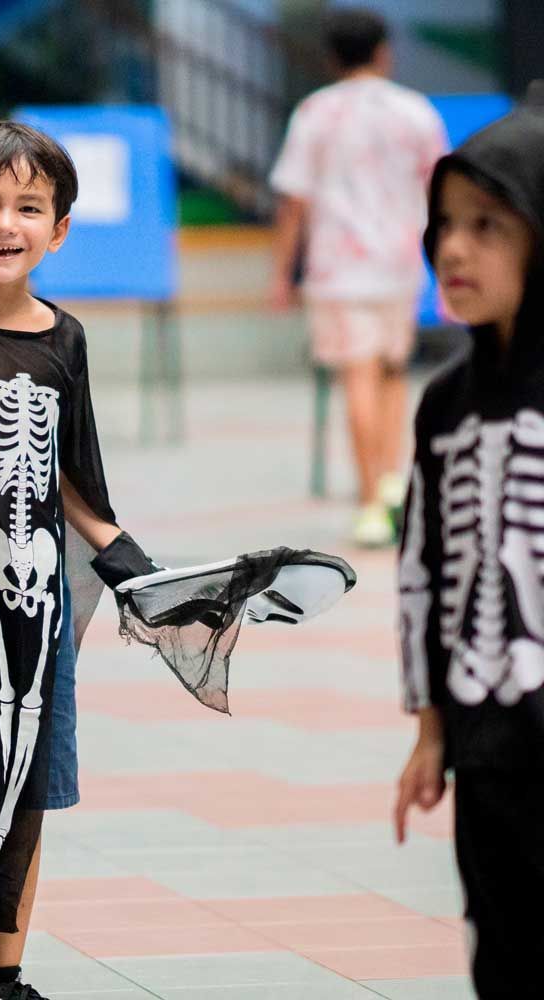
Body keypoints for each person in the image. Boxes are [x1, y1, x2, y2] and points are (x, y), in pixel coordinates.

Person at [0, 120, 355, 1000]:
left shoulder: (64, 339)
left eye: (29, 208)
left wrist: (157, 584)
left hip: (39, 611)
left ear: (60, 228)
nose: (6, 223)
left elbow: (82, 496)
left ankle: (5, 978)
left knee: (31, 783)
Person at [394, 84, 544, 999]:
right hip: (488, 744)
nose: (453, 248)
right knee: (503, 943)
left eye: (489, 225)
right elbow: (422, 573)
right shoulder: (444, 404)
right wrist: (428, 733)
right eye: (445, 225)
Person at [269, 6, 447, 547]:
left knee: (358, 378)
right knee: (393, 372)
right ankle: (391, 481)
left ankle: (370, 501)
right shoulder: (415, 111)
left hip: (337, 268)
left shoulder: (315, 113)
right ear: (383, 51)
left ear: (331, 57)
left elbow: (294, 202)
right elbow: (442, 187)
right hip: (400, 262)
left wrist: (282, 274)